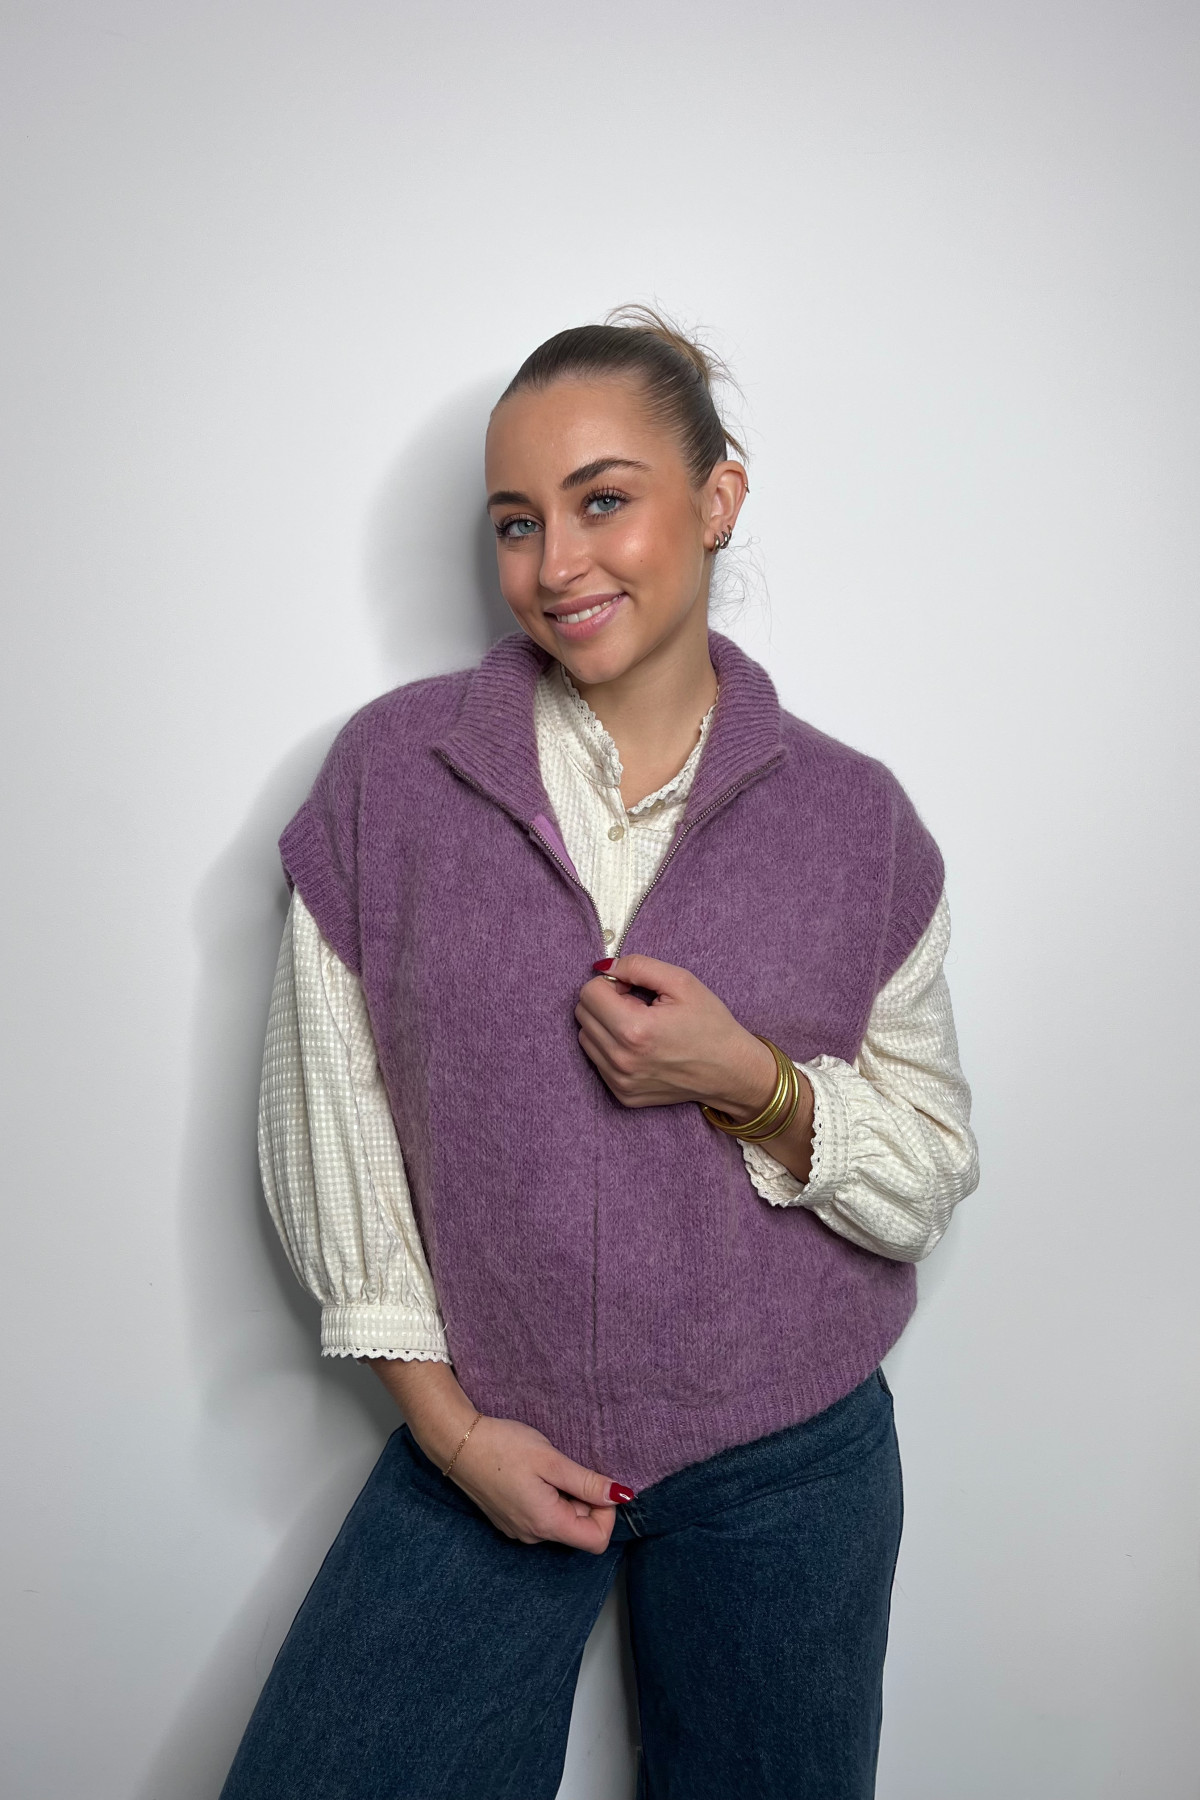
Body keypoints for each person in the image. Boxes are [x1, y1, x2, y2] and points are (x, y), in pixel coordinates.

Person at [220, 307, 980, 1800]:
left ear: (718, 499)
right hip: (493, 1433)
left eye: (603, 500)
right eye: (518, 522)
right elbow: (331, 1126)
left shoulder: (860, 823)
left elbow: (931, 1172)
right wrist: (453, 1440)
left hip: (790, 1461)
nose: (557, 562)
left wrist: (748, 1081)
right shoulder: (392, 776)